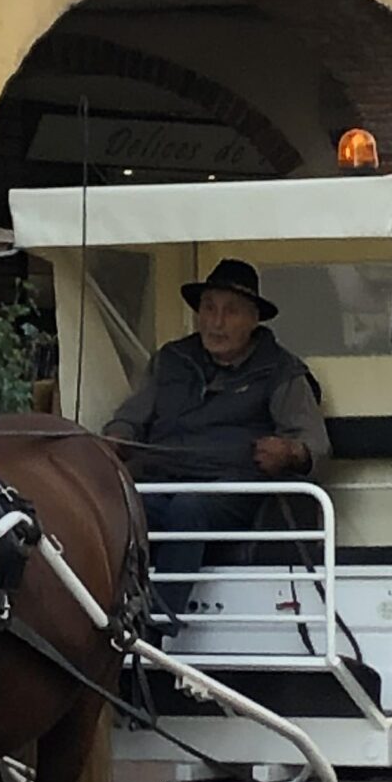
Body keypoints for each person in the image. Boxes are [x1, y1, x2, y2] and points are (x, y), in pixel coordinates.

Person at [105, 257, 329, 616]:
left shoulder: (281, 370)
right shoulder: (171, 360)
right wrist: (114, 439)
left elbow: (314, 446)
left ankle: (158, 618)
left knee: (188, 507)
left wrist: (288, 451)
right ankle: (101, 614)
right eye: (208, 309)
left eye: (231, 311)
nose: (216, 322)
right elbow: (130, 419)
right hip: (160, 479)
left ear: (254, 319)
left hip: (232, 487)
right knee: (107, 503)